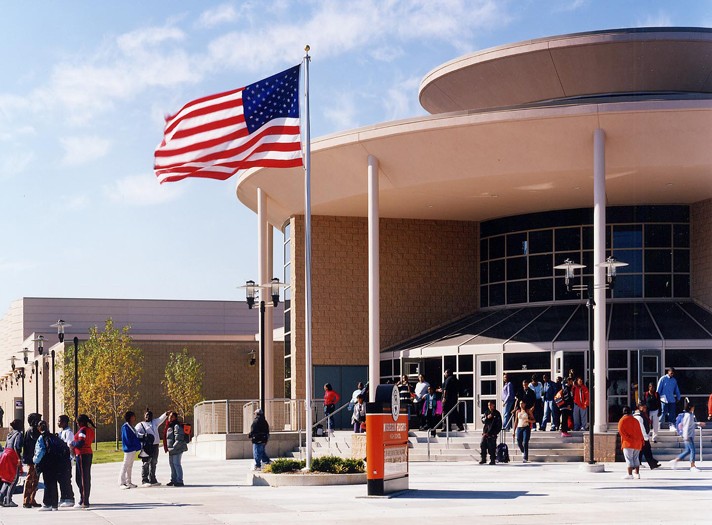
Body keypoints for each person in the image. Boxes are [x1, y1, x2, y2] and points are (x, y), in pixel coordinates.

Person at [34, 420, 63, 511]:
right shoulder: (54, 437)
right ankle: (54, 504)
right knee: (53, 483)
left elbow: (40, 452)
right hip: (56, 462)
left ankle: (47, 503)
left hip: (46, 463)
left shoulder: (41, 438)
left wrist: (35, 461)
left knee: (47, 483)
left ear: (39, 428)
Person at [135, 408, 168, 486]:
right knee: (146, 463)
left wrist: (166, 414)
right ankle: (145, 480)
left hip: (155, 446)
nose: (148, 416)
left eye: (150, 415)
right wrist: (143, 436)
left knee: (154, 462)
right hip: (147, 447)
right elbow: (136, 433)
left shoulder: (154, 423)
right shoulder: (140, 425)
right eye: (146, 415)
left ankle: (152, 479)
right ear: (144, 416)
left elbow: (160, 419)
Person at [71, 414, 96, 508]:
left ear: (81, 422)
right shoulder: (89, 430)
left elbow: (81, 442)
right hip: (88, 453)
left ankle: (84, 501)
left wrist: (72, 443)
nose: (77, 424)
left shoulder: (83, 430)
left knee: (82, 478)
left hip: (82, 454)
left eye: (77, 422)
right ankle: (84, 498)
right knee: (84, 477)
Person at [669, 403, 700, 472]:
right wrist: (686, 436)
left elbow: (691, 424)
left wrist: (698, 423)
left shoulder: (690, 415)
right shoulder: (688, 416)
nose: (694, 408)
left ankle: (675, 460)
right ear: (690, 408)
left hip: (689, 435)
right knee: (692, 450)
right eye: (693, 407)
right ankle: (692, 466)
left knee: (687, 451)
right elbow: (685, 426)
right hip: (688, 436)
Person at [0, 419, 23, 507]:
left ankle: (1, 497)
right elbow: (16, 447)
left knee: (6, 478)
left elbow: (6, 445)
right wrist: (18, 459)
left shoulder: (9, 434)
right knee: (14, 479)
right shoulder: (18, 434)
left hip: (5, 455)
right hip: (12, 456)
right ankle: (8, 500)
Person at [22, 412, 42, 509]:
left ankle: (32, 499)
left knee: (36, 480)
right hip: (31, 459)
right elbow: (36, 441)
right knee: (30, 479)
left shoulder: (35, 431)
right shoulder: (31, 431)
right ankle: (26, 500)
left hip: (37, 459)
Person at [619, 406, 644, 479]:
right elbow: (640, 431)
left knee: (629, 459)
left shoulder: (622, 420)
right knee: (636, 458)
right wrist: (641, 440)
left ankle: (630, 474)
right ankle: (637, 473)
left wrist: (628, 438)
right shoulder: (635, 420)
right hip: (637, 442)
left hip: (628, 443)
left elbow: (621, 432)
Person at [633, 402, 660, 470]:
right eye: (643, 407)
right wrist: (645, 437)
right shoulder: (639, 416)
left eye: (645, 407)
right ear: (639, 407)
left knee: (643, 450)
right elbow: (642, 428)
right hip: (642, 437)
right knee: (647, 450)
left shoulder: (643, 414)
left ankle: (651, 463)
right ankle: (652, 463)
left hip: (643, 436)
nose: (645, 408)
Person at [164, 411, 187, 486]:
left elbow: (179, 438)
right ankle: (173, 480)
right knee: (172, 464)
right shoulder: (170, 425)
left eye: (172, 416)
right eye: (169, 416)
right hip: (172, 449)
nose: (170, 417)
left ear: (175, 418)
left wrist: (174, 448)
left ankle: (180, 481)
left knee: (177, 464)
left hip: (177, 449)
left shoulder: (176, 426)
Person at [119, 411, 141, 489]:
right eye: (133, 416)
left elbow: (136, 435)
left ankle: (129, 482)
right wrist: (133, 444)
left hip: (133, 449)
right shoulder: (125, 427)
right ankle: (122, 482)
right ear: (129, 417)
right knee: (125, 465)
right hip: (129, 449)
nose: (134, 418)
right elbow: (127, 438)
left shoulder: (132, 426)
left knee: (130, 466)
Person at [56, 415, 75, 507]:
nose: (58, 423)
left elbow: (70, 446)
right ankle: (63, 497)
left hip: (66, 459)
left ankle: (69, 498)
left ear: (64, 422)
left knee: (66, 479)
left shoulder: (68, 432)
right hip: (60, 460)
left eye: (59, 421)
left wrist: (70, 457)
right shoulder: (62, 432)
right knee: (61, 479)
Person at [479, 400, 502, 465]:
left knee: (492, 447)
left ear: (493, 405)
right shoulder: (486, 412)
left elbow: (499, 424)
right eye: (488, 405)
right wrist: (487, 417)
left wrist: (495, 433)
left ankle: (492, 460)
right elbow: (483, 420)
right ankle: (483, 458)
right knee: (482, 444)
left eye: (490, 405)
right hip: (485, 432)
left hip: (492, 433)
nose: (489, 406)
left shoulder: (497, 413)